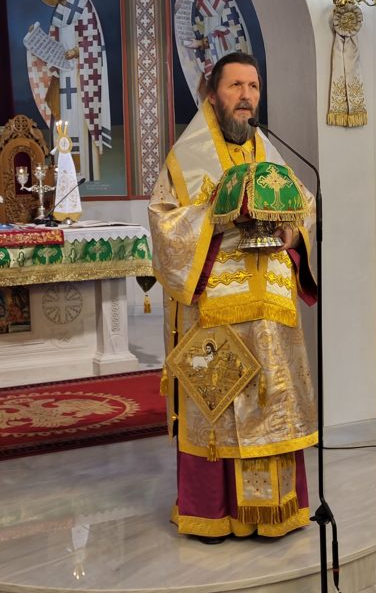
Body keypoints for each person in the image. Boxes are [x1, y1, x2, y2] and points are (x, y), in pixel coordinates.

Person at [148, 52, 318, 542]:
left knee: (272, 404)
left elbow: (303, 208)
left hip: (271, 312)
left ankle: (275, 513)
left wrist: (291, 232)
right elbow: (163, 224)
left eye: (253, 87)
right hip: (214, 311)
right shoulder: (186, 158)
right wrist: (221, 215)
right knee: (219, 409)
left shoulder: (269, 150)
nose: (246, 97)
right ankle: (214, 513)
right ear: (213, 93)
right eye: (236, 86)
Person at [26, 0, 111, 181]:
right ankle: (64, 172)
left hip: (82, 75)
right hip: (63, 76)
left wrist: (76, 51)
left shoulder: (82, 4)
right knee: (63, 121)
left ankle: (86, 171)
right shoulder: (58, 13)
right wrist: (36, 39)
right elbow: (52, 46)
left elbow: (93, 40)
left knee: (81, 120)